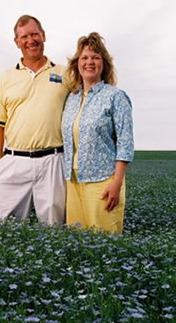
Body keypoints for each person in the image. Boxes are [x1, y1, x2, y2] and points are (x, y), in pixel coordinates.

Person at [0, 15, 69, 225]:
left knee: (54, 226)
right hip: (14, 161)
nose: (30, 40)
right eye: (24, 36)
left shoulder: (64, 73)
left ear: (43, 36)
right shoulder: (6, 77)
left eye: (34, 34)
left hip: (53, 160)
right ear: (17, 42)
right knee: (6, 226)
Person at [61, 32, 134, 233]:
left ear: (104, 63)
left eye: (95, 57)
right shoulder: (72, 99)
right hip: (73, 181)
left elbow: (125, 143)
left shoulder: (115, 97)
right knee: (78, 245)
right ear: (77, 63)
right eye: (84, 58)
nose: (89, 62)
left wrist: (116, 184)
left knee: (105, 245)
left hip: (103, 182)